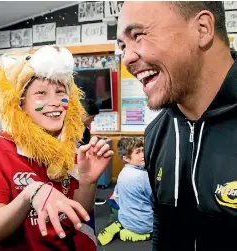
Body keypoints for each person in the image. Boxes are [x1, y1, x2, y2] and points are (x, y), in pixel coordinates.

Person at [118, 2, 237, 251]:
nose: (127, 57)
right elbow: (164, 228)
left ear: (202, 29)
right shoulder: (156, 135)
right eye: (122, 45)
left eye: (138, 35)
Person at [0, 45, 113, 250]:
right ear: (21, 103)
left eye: (60, 92)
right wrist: (29, 194)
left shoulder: (72, 147)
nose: (54, 102)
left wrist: (88, 182)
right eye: (41, 93)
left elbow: (79, 214)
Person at [97, 137, 153, 245]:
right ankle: (141, 234)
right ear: (126, 158)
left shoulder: (123, 172)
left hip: (125, 219)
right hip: (144, 225)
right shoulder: (143, 176)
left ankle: (119, 224)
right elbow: (154, 200)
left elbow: (117, 196)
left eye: (142, 150)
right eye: (137, 152)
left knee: (114, 200)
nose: (142, 154)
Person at [80, 99, 106, 206]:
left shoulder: (85, 130)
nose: (93, 120)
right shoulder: (65, 128)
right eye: (91, 117)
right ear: (82, 114)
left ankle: (90, 198)